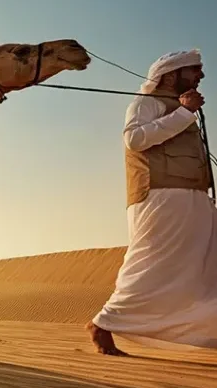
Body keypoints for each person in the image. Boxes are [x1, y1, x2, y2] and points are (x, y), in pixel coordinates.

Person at [88, 48, 217, 355]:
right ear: (171, 74)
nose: (201, 75)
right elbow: (134, 139)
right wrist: (184, 112)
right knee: (152, 266)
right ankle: (104, 323)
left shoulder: (177, 106)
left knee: (201, 271)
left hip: (194, 198)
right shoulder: (146, 103)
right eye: (194, 70)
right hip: (160, 197)